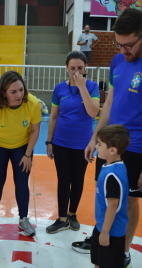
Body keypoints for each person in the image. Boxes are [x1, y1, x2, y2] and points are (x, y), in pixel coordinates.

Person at [72, 8, 142, 268]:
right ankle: (102, 238)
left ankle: (123, 251)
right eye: (118, 44)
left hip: (138, 147)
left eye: (128, 44)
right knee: (105, 196)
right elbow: (109, 102)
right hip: (109, 146)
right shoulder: (117, 61)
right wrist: (94, 138)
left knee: (128, 202)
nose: (123, 50)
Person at [0, 71, 41, 236]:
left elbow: (35, 131)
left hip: (22, 146)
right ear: (3, 93)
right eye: (13, 92)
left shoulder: (33, 103)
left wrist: (28, 155)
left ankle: (23, 219)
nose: (19, 95)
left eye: (21, 90)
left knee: (22, 182)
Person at [46, 51, 100, 234]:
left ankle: (72, 214)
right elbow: (53, 117)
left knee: (77, 180)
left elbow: (93, 112)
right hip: (61, 142)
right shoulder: (59, 88)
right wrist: (49, 142)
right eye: (72, 69)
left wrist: (82, 86)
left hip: (82, 145)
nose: (75, 72)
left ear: (86, 68)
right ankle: (62, 219)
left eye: (79, 68)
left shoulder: (92, 87)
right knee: (63, 180)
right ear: (66, 69)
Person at [75, 124, 130, 268]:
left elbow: (113, 206)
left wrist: (105, 232)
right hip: (102, 226)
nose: (96, 147)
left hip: (111, 231)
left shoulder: (112, 175)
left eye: (99, 144)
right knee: (98, 258)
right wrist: (101, 229)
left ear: (112, 150)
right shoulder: (111, 165)